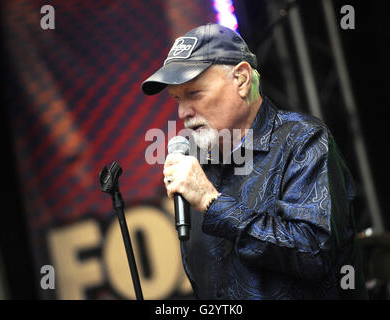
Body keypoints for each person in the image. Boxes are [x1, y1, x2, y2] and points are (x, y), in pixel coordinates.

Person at [141, 23, 368, 299]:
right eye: (176, 98)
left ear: (241, 79)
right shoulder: (199, 168)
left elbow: (313, 253)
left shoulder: (302, 140)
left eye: (194, 93)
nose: (183, 112)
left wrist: (212, 203)